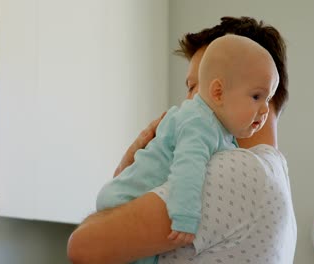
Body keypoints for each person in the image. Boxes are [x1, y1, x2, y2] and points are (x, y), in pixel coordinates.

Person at [67, 16, 296, 264]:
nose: (189, 103)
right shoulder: (273, 173)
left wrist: (123, 179)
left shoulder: (236, 170)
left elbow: (84, 247)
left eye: (195, 86)